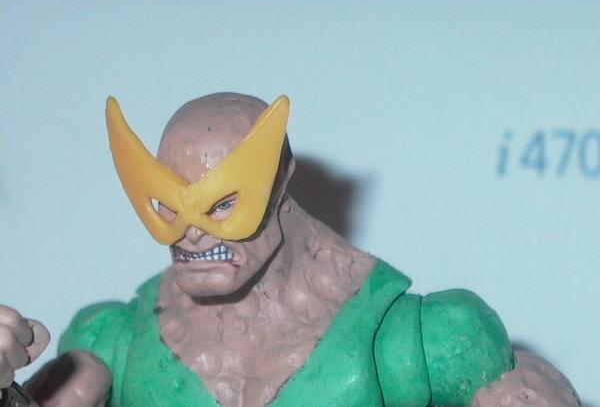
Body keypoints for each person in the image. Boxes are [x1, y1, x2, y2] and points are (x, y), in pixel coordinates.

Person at [0, 93, 580, 407]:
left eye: (221, 204)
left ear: (280, 182)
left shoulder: (417, 338)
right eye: (168, 206)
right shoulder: (111, 344)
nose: (191, 232)